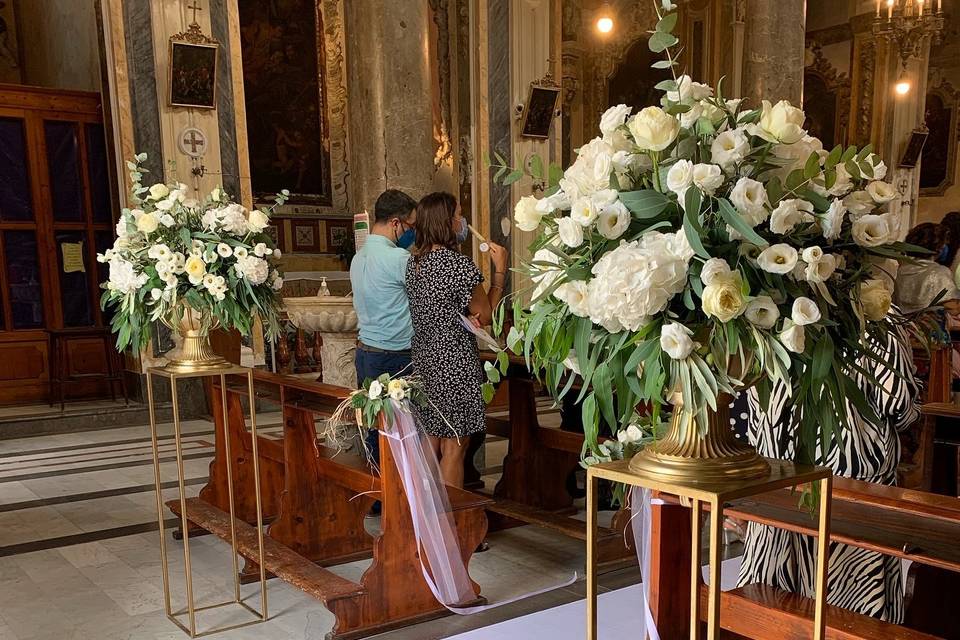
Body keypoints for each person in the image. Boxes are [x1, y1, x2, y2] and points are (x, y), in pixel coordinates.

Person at [405, 192, 508, 488]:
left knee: (431, 439)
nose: (462, 222)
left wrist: (464, 314)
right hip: (454, 361)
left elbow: (448, 308)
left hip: (424, 359)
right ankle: (451, 523)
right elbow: (486, 315)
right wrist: (500, 269)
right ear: (446, 222)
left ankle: (424, 515)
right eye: (458, 215)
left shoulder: (415, 265)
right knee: (455, 446)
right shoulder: (457, 266)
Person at [350, 189, 418, 470]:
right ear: (395, 223)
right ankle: (397, 497)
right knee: (400, 436)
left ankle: (379, 496)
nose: (412, 233)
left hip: (366, 354)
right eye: (411, 226)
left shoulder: (359, 257)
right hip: (395, 357)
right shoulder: (398, 260)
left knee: (374, 430)